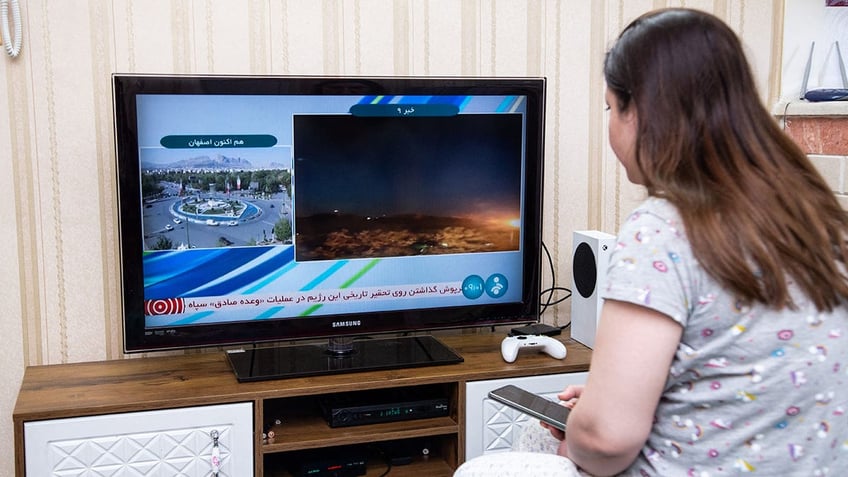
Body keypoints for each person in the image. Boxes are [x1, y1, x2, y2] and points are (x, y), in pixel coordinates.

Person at [455, 7, 848, 477]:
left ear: (639, 111)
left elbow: (605, 440)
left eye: (609, 107)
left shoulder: (662, 230)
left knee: (484, 467)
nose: (610, 126)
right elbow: (745, 375)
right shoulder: (818, 217)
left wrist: (585, 430)